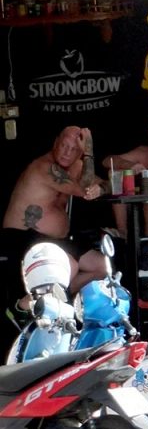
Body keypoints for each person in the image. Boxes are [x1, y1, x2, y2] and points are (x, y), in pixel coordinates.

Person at [2, 126, 108, 300]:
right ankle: (35, 307)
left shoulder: (76, 167)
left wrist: (102, 188)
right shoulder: (45, 167)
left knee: (102, 266)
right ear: (55, 142)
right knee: (69, 266)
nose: (67, 153)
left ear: (79, 153)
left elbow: (103, 183)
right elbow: (84, 189)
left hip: (55, 240)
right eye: (64, 146)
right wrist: (88, 151)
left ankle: (59, 300)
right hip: (23, 236)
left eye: (74, 149)